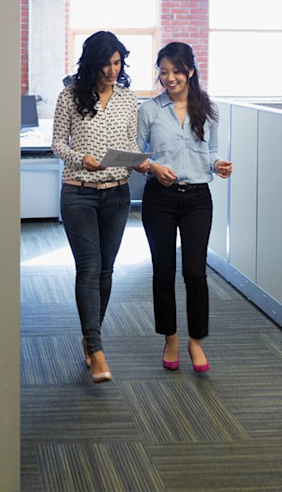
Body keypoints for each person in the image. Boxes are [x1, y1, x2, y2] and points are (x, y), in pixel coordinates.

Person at [52, 30, 143, 384]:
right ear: (92, 62)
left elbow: (130, 142)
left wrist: (139, 162)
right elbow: (58, 144)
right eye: (105, 62)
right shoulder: (69, 96)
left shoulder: (127, 99)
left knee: (106, 270)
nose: (111, 69)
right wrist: (81, 158)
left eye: (117, 62)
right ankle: (98, 347)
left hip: (117, 194)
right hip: (79, 193)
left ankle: (90, 338)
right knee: (88, 269)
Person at [136, 43, 232, 375]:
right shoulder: (149, 110)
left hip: (197, 199)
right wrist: (152, 167)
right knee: (163, 271)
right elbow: (137, 155)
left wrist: (218, 164)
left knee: (194, 272)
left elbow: (212, 150)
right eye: (163, 72)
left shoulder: (209, 109)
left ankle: (196, 341)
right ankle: (171, 338)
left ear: (190, 71)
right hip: (159, 199)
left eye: (176, 71)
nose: (169, 78)